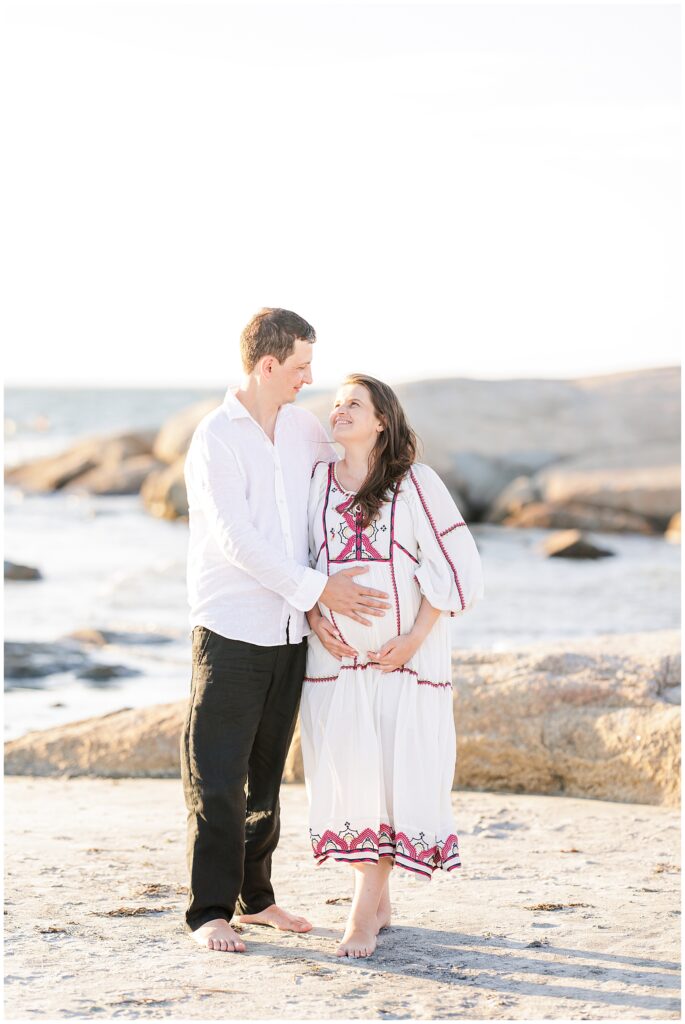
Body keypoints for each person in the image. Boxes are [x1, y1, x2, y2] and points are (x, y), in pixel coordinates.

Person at [181, 311, 393, 953]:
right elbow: (235, 539)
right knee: (217, 774)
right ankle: (209, 912)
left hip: (290, 630)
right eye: (301, 366)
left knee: (267, 773)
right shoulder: (216, 436)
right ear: (267, 366)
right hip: (232, 625)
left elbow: (349, 472)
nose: (310, 378)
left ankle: (256, 898)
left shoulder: (303, 428)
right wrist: (320, 590)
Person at [301, 373, 485, 958]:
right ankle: (377, 904)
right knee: (355, 778)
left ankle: (361, 915)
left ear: (383, 420)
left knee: (386, 784)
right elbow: (300, 563)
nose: (340, 411)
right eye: (335, 404)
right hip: (337, 665)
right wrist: (313, 616)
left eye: (354, 403)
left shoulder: (414, 483)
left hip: (402, 666)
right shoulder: (317, 483)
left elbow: (460, 569)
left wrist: (413, 639)